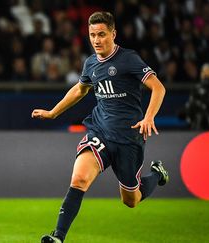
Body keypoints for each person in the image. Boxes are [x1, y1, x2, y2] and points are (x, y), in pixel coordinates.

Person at [32, 12, 169, 243]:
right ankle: (58, 237)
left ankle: (156, 173)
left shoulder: (129, 59)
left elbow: (158, 88)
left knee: (131, 200)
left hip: (129, 138)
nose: (97, 40)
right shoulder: (91, 63)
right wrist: (53, 112)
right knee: (79, 179)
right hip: (100, 132)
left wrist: (148, 118)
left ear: (113, 34)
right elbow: (80, 89)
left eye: (102, 35)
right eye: (92, 35)